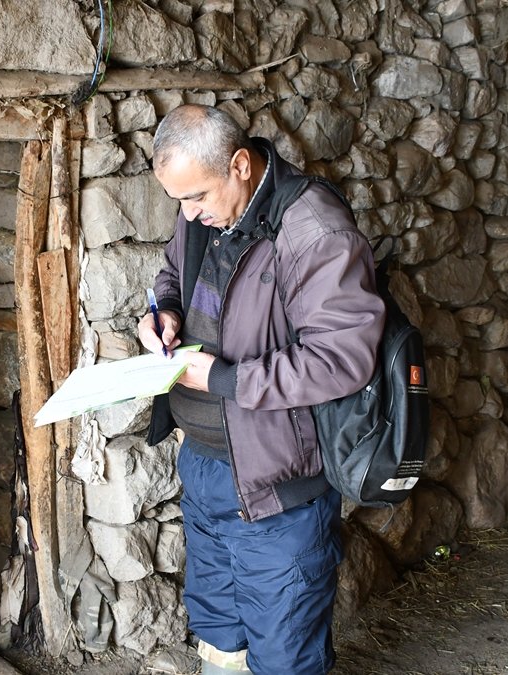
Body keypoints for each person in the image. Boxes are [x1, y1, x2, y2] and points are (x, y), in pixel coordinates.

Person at [138, 104, 385, 674]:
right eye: (178, 201)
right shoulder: (202, 211)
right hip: (205, 466)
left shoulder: (313, 230)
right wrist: (165, 311)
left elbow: (342, 358)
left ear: (241, 165)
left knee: (283, 651)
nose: (188, 213)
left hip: (277, 485)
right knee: (219, 630)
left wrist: (222, 378)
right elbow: (174, 271)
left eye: (196, 197)